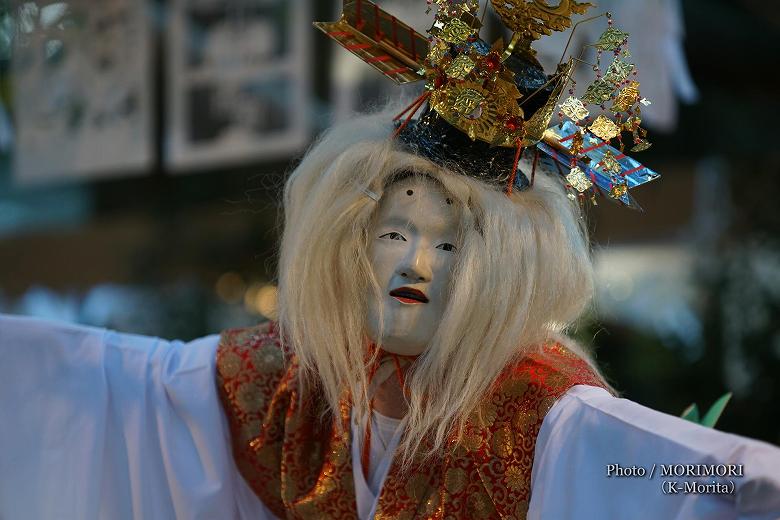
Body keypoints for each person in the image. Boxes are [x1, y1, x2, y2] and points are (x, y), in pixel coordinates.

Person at [2, 3, 780, 520]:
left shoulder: (539, 408)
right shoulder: (291, 381)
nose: (419, 263)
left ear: (503, 273)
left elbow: (655, 466)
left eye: (450, 245)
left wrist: (746, 483)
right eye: (395, 233)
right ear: (348, 236)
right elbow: (120, 388)